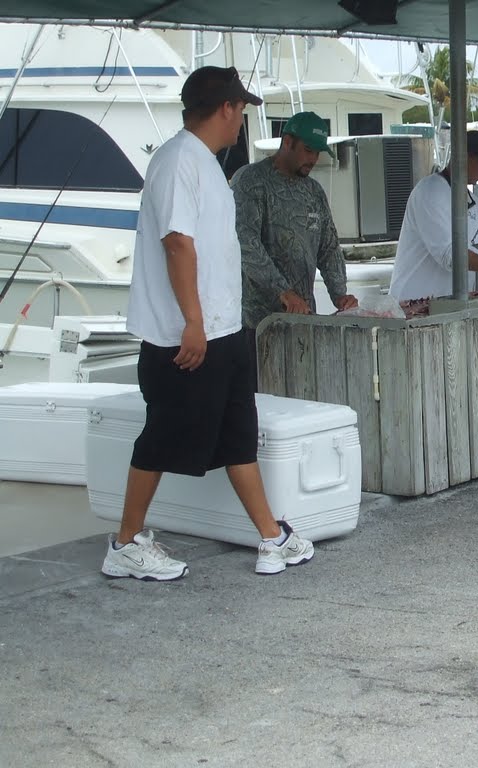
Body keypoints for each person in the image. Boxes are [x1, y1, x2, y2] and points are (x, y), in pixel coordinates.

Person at [101, 66, 315, 581]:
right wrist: (192, 322)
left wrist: (215, 322)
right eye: (241, 110)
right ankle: (125, 542)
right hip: (187, 336)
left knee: (238, 434)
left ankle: (271, 535)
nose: (240, 119)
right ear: (227, 109)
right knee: (163, 436)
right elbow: (178, 242)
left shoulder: (208, 164)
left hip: (225, 328)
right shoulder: (178, 160)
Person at [231, 111, 358, 363]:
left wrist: (339, 293)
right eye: (308, 150)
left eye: (318, 152)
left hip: (302, 324)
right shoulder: (250, 181)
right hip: (255, 326)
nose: (313, 159)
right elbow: (246, 244)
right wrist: (283, 291)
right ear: (287, 142)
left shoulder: (314, 191)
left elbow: (329, 247)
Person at [388, 130, 478, 301]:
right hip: (413, 304)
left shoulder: (473, 203)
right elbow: (450, 256)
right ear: (463, 157)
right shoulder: (430, 192)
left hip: (449, 305)